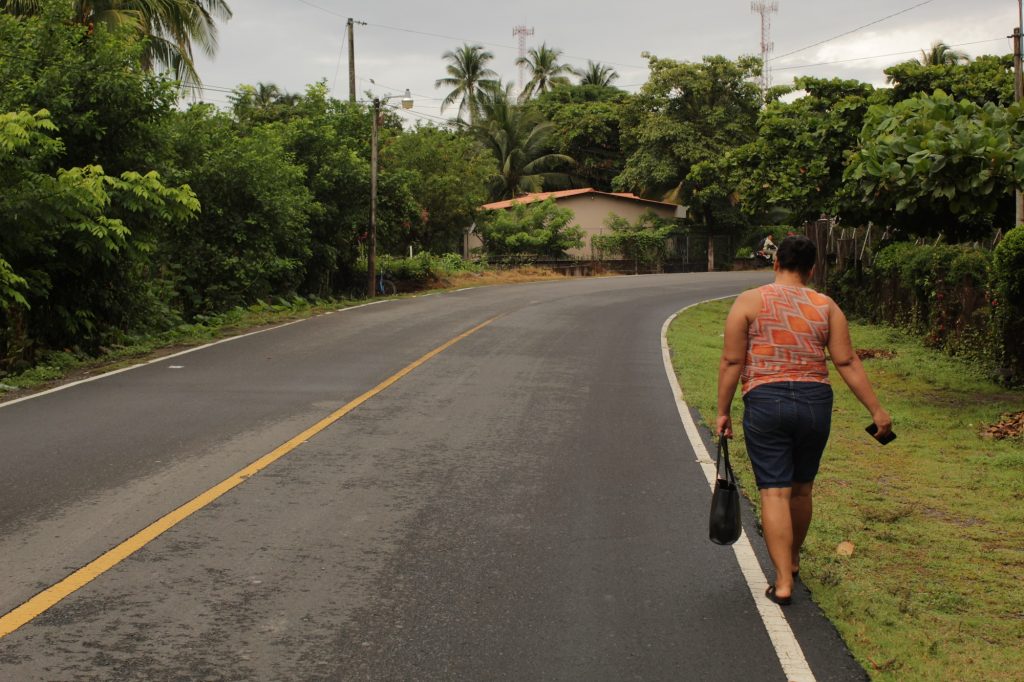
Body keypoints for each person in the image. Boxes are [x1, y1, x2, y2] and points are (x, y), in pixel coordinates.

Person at [715, 235, 891, 606]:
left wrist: (723, 411)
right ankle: (793, 559)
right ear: (812, 270)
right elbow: (846, 361)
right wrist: (876, 410)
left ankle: (781, 581)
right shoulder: (826, 306)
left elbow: (732, 361)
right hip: (814, 403)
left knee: (774, 491)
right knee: (802, 488)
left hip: (766, 400)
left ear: (776, 263)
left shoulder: (749, 301)